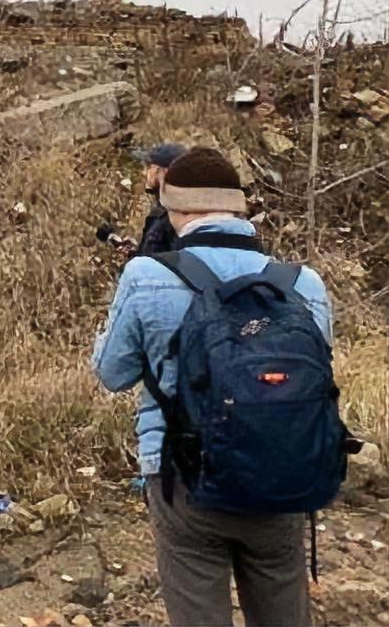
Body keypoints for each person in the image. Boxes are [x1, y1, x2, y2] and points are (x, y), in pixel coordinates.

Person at [92, 147, 335, 627]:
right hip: (284, 474)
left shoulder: (146, 275)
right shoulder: (304, 282)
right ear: (238, 207)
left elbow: (112, 373)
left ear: (174, 208)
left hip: (184, 479)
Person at [134, 142, 186, 256]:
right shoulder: (167, 211)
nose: (144, 173)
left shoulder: (172, 216)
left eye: (149, 167)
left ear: (163, 171)